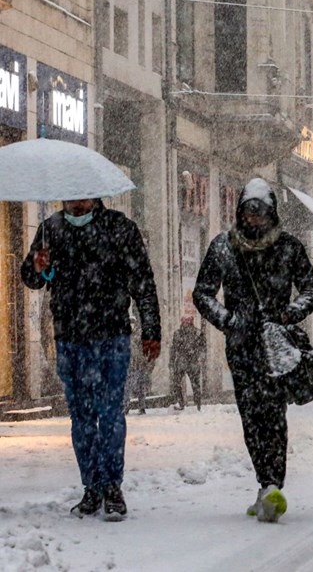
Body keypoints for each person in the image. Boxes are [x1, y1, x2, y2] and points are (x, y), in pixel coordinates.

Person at [20, 198, 161, 521]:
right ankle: (91, 487)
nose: (75, 201)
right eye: (70, 195)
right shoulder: (50, 229)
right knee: (81, 418)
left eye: (81, 194)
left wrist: (151, 329)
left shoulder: (119, 228)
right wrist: (37, 266)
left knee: (110, 414)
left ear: (95, 194)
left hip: (112, 336)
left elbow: (142, 281)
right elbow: (34, 279)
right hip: (70, 340)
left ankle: (112, 486)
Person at [193, 178, 313, 523]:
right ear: (239, 213)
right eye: (248, 213)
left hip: (275, 346)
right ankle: (265, 483)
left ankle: (271, 483)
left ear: (271, 212)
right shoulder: (223, 247)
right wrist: (228, 320)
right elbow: (202, 293)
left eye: (260, 213)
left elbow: (311, 287)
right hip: (241, 346)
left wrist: (290, 314)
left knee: (274, 417)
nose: (254, 219)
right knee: (251, 418)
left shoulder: (289, 248)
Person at [170, 316, 207, 411]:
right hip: (184, 362)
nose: (186, 323)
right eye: (185, 321)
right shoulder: (179, 333)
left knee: (193, 384)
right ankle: (187, 404)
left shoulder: (197, 333)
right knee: (178, 383)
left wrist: (200, 356)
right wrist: (172, 360)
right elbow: (173, 349)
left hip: (189, 362)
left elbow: (203, 347)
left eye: (187, 321)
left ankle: (196, 404)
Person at [123, 317, 153, 415]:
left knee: (141, 387)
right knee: (128, 387)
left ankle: (142, 407)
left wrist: (148, 363)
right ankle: (126, 406)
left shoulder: (140, 334)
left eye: (132, 323)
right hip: (129, 365)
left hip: (141, 364)